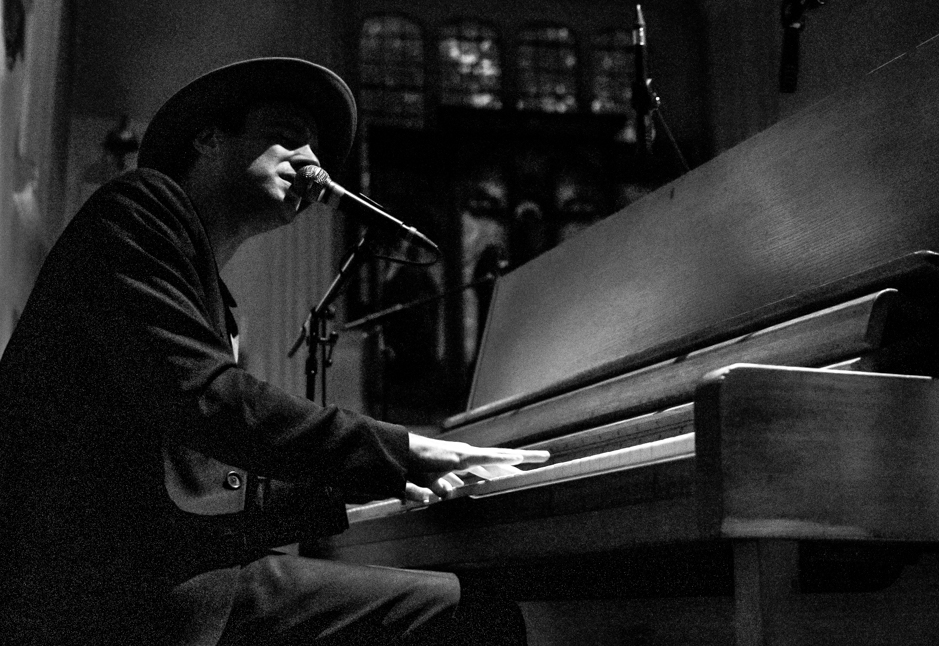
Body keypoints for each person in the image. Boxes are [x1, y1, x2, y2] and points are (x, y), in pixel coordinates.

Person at [0, 57, 548, 646]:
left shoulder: (212, 297)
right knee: (475, 614)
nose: (313, 163)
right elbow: (208, 400)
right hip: (108, 596)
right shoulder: (139, 206)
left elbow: (208, 481)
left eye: (316, 149)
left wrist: (375, 485)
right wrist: (402, 452)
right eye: (287, 136)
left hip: (154, 577)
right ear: (208, 139)